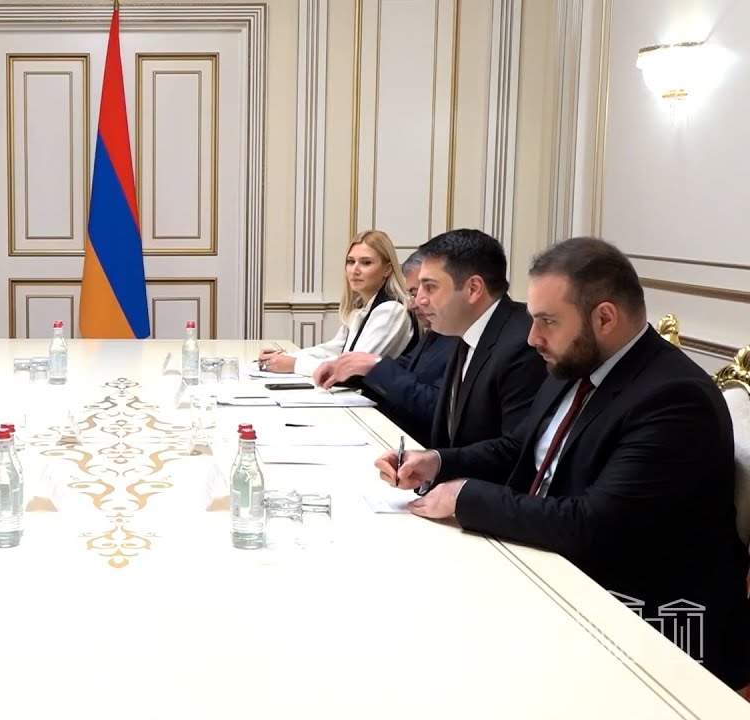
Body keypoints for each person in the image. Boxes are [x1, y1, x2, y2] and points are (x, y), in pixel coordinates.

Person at [376, 237, 750, 687]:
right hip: (560, 568)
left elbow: (594, 524)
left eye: (547, 321)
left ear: (604, 318)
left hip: (648, 621)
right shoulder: (577, 363)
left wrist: (467, 498)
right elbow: (520, 449)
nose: (532, 337)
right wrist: (437, 462)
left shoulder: (673, 398)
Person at [411, 229, 545, 448]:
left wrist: (437, 461)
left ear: (473, 289)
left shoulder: (522, 345)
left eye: (430, 287)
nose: (419, 300)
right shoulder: (464, 330)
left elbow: (515, 448)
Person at [313, 250, 451, 446]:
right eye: (414, 293)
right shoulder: (438, 332)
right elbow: (404, 366)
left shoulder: (395, 309)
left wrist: (373, 365)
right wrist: (353, 367)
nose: (414, 304)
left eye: (428, 289)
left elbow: (436, 406)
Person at [258, 230, 413, 377]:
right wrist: (286, 357)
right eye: (350, 262)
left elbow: (352, 367)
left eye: (366, 263)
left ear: (387, 269)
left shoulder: (391, 309)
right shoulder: (363, 305)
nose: (355, 270)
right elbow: (336, 348)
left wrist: (294, 364)